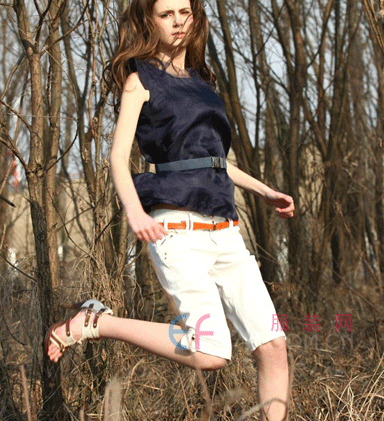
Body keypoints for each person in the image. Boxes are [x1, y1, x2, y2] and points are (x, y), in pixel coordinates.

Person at [45, 1, 295, 420]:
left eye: (184, 12)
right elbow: (117, 157)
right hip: (176, 230)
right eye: (166, 14)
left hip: (225, 230)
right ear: (150, 21)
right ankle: (97, 323)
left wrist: (264, 190)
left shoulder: (201, 81)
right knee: (210, 350)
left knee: (273, 345)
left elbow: (213, 161)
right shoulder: (139, 80)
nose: (178, 21)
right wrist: (135, 212)